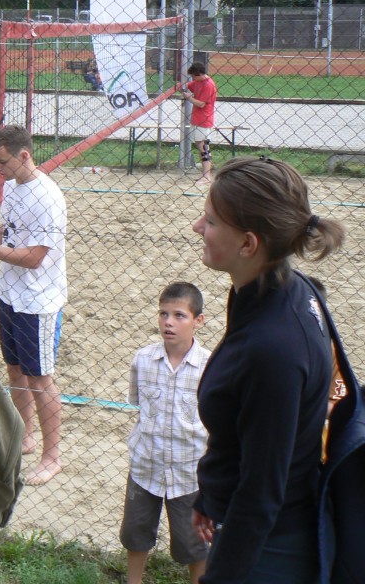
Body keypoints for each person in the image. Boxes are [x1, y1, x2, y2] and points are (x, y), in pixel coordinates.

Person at [190, 156, 346, 584]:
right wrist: (212, 492)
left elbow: (262, 492)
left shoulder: (273, 347)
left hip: (269, 549)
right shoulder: (278, 291)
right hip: (255, 525)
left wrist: (218, 578)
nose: (197, 228)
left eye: (210, 221)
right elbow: (249, 428)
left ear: (248, 244)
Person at [0, 124, 67, 485]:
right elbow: (8, 237)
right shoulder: (14, 190)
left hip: (38, 300)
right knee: (15, 371)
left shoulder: (48, 197)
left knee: (40, 380)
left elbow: (34, 256)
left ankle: (53, 457)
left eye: (3, 161)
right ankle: (27, 435)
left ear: (24, 155)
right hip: (9, 294)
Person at [120, 281, 210, 584]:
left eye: (179, 315)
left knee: (194, 543)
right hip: (146, 467)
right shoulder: (143, 360)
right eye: (163, 314)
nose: (169, 322)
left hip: (189, 473)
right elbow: (138, 405)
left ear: (199, 321)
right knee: (136, 532)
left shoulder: (209, 367)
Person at [182, 62, 217, 185]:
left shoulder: (208, 85)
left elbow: (201, 104)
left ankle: (207, 175)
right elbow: (189, 85)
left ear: (199, 74)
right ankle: (205, 174)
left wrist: (189, 98)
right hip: (197, 118)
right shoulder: (198, 82)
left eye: (194, 76)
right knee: (200, 144)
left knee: (204, 146)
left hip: (204, 118)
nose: (193, 79)